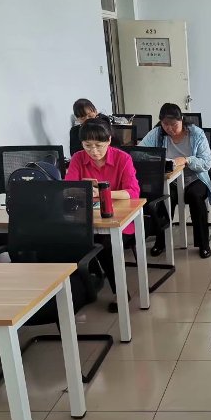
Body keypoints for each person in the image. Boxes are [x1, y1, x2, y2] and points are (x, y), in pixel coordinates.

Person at [65, 117, 140, 312]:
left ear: (109, 140)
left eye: (98, 145)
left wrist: (102, 191)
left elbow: (132, 192)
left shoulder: (123, 159)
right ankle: (80, 290)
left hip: (119, 221)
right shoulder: (78, 158)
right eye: (87, 145)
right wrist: (80, 191)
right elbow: (68, 189)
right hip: (86, 219)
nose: (93, 151)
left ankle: (120, 292)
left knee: (105, 244)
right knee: (66, 242)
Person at [141, 103, 211, 259]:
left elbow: (207, 162)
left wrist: (187, 160)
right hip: (170, 180)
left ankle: (203, 244)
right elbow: (141, 153)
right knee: (163, 200)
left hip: (195, 177)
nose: (169, 128)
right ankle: (161, 241)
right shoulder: (157, 134)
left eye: (174, 124)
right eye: (165, 124)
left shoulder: (196, 134)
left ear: (181, 119)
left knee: (196, 198)